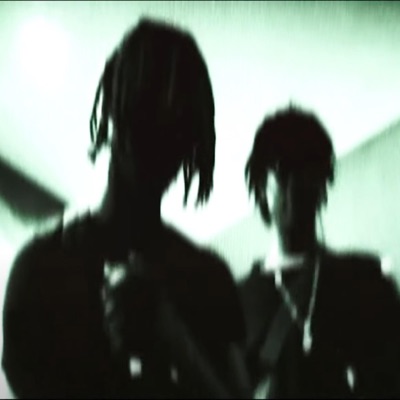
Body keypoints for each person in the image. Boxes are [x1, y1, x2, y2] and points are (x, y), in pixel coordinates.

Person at [2, 18, 249, 398]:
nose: (162, 133)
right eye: (147, 106)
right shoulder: (39, 269)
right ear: (114, 109)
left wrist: (174, 338)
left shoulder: (209, 277)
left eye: (180, 122)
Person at [239, 105, 400, 398]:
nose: (295, 186)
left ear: (323, 181)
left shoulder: (366, 280)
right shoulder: (237, 301)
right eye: (283, 173)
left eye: (307, 170)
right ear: (261, 187)